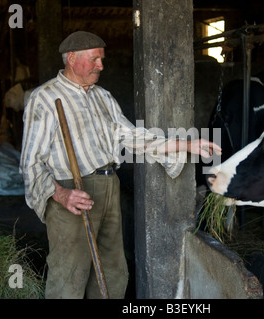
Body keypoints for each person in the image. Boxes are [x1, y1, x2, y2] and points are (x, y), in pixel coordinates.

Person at [19, 31, 221, 299]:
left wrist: (185, 145)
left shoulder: (103, 97)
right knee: (69, 273)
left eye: (101, 59)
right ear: (71, 58)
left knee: (113, 271)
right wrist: (61, 194)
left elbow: (135, 138)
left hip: (108, 186)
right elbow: (30, 162)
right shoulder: (44, 99)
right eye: (94, 59)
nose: (101, 66)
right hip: (73, 190)